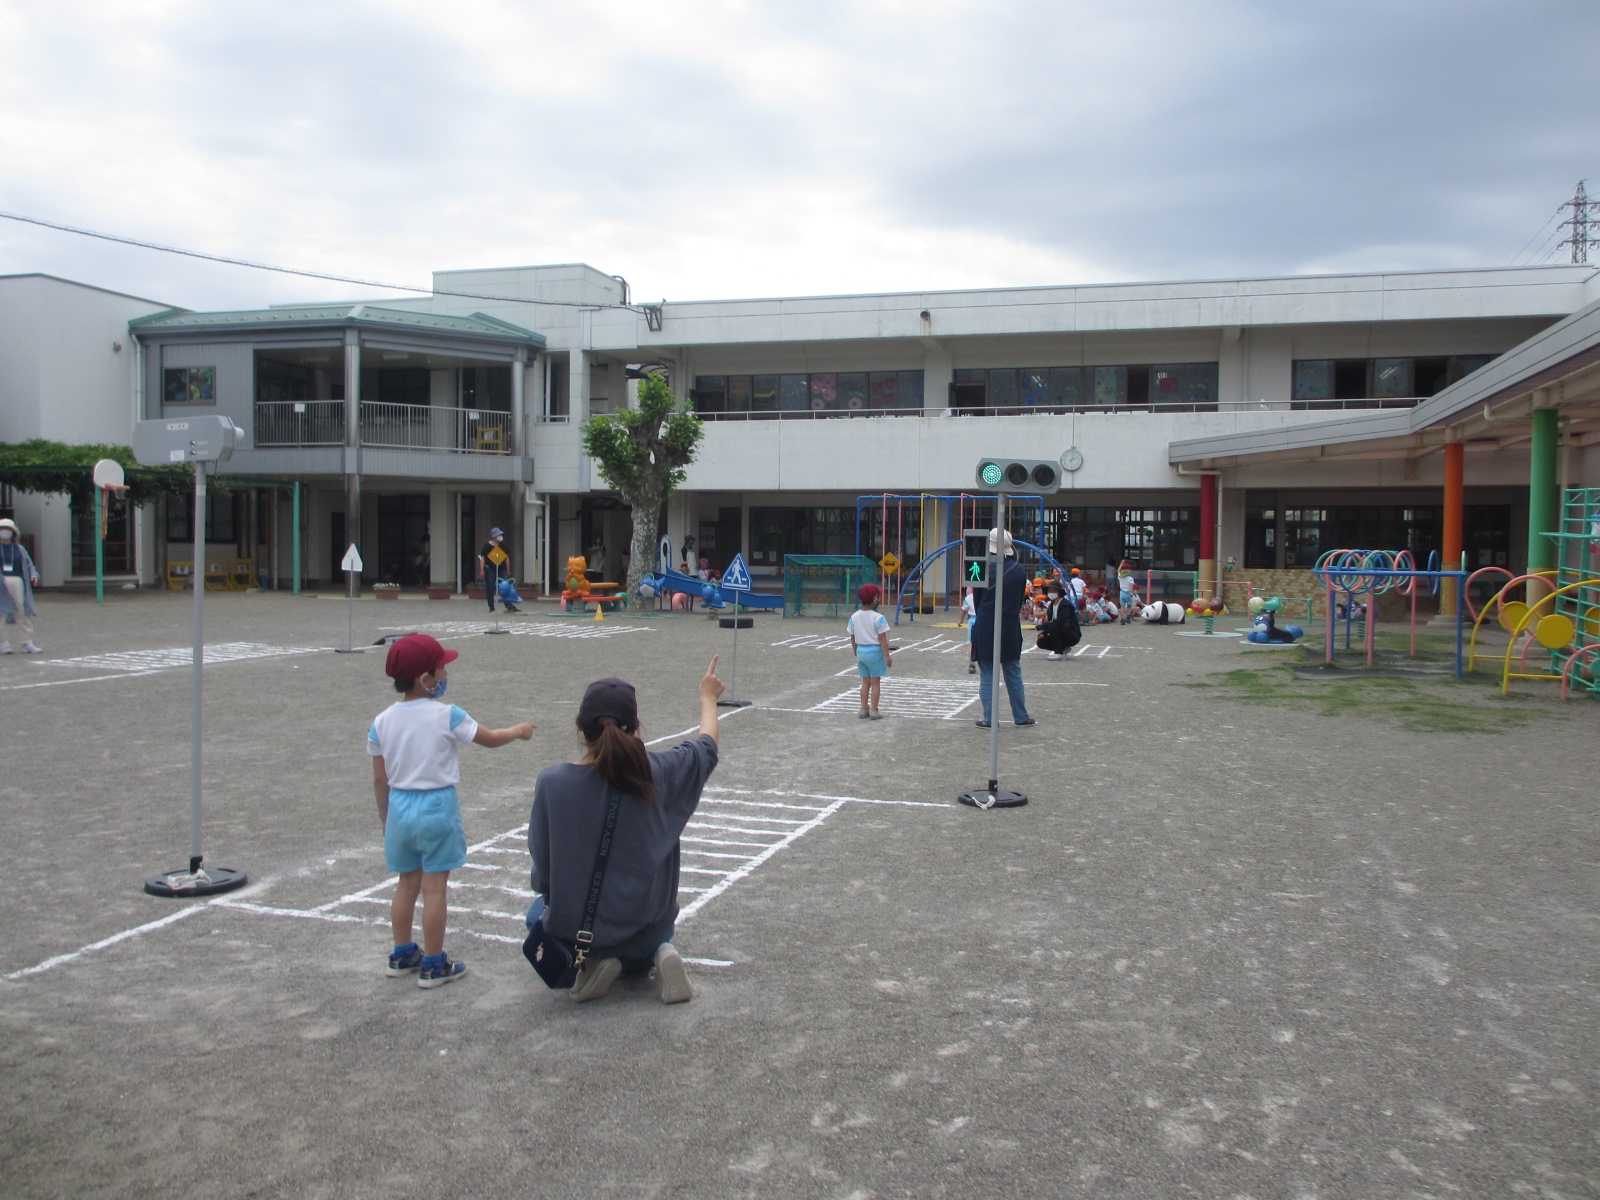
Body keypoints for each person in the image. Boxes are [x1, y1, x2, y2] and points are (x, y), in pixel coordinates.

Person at [526, 658, 724, 1004]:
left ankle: (600, 963)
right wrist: (708, 698)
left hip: (583, 935)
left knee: (534, 915)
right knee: (648, 935)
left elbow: (542, 872)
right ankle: (656, 955)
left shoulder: (552, 783)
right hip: (651, 928)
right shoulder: (659, 771)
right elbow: (706, 746)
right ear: (634, 726)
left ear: (580, 727)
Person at [368, 634, 534, 988]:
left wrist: (386, 819)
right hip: (436, 806)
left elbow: (380, 779)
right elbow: (488, 738)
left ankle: (401, 954)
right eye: (441, 668)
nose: (445, 673)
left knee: (405, 884)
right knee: (435, 888)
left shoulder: (381, 721)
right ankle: (433, 963)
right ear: (424, 679)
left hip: (399, 806)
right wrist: (518, 731)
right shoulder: (446, 715)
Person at [970, 528, 1035, 728]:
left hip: (986, 623)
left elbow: (977, 601)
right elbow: (1018, 600)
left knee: (988, 674)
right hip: (1009, 624)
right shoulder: (1019, 569)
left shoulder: (979, 567)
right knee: (1013, 671)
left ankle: (989, 718)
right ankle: (1021, 716)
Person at [847, 583, 892, 719]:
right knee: (875, 682)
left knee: (865, 682)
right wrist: (887, 656)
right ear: (875, 599)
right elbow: (882, 638)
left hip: (861, 651)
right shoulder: (878, 618)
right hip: (874, 652)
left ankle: (863, 708)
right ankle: (874, 710)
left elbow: (852, 636)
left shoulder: (854, 616)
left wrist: (855, 649)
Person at [0, 518, 41, 654]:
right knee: (1, 613)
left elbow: (29, 564)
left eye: (8, 530)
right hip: (1, 582)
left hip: (17, 581)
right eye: (2, 529)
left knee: (21, 611)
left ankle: (27, 642)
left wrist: (33, 575)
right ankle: (3, 643)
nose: (5, 532)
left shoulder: (19, 549)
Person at [1036, 580, 1081, 660]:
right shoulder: (1051, 606)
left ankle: (1059, 653)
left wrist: (1041, 626)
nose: (1051, 593)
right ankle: (1063, 648)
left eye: (1053, 591)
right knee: (1041, 642)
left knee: (1054, 626)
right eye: (1049, 591)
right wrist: (1044, 633)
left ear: (1059, 592)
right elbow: (1051, 622)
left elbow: (1060, 622)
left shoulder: (1066, 605)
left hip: (1071, 634)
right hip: (1058, 630)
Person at [477, 527, 509, 614]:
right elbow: (483, 558)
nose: (501, 536)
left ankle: (508, 605)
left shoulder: (503, 546)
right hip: (490, 568)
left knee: (504, 586)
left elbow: (506, 558)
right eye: (499, 535)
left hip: (501, 568)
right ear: (494, 536)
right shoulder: (487, 546)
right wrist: (482, 570)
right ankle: (491, 606)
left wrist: (508, 569)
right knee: (490, 587)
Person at [961, 587, 977, 674]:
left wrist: (961, 620)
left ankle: (972, 664)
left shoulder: (968, 598)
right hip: (983, 619)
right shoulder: (983, 595)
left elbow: (963, 609)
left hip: (972, 621)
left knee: (972, 643)